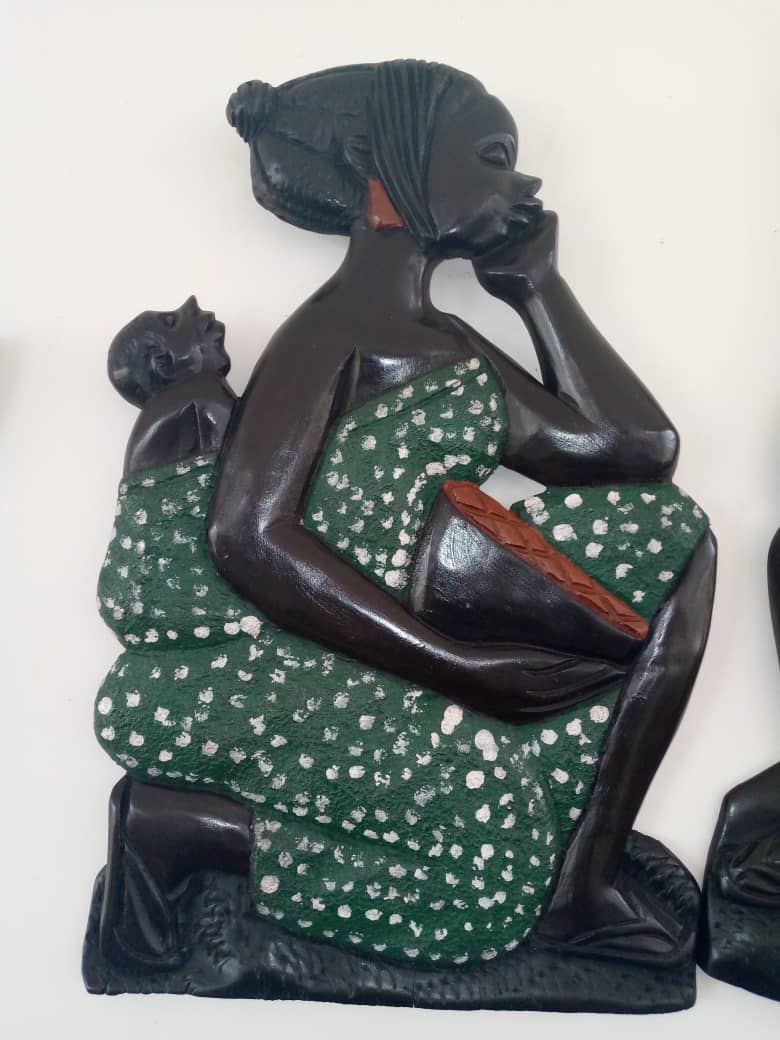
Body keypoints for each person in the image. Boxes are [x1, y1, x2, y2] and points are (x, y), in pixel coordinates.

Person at [94, 61, 716, 971]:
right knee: (484, 890)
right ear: (382, 167)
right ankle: (180, 828)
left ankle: (581, 875)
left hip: (427, 606)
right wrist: (458, 667)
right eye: (493, 158)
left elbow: (632, 448)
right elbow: (247, 536)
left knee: (668, 539)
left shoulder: (448, 339)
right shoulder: (329, 334)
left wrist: (538, 287)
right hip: (314, 654)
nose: (523, 184)